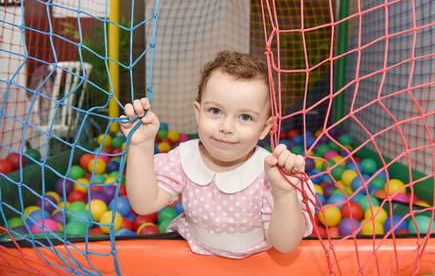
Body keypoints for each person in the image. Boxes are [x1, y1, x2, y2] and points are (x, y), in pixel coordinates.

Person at [120, 50, 315, 259]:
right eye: (215, 111)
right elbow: (144, 204)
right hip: (195, 257)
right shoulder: (184, 159)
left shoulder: (269, 172)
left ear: (265, 128)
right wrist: (140, 146)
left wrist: (284, 194)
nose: (226, 127)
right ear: (198, 112)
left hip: (258, 263)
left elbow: (285, 245)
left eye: (245, 117)